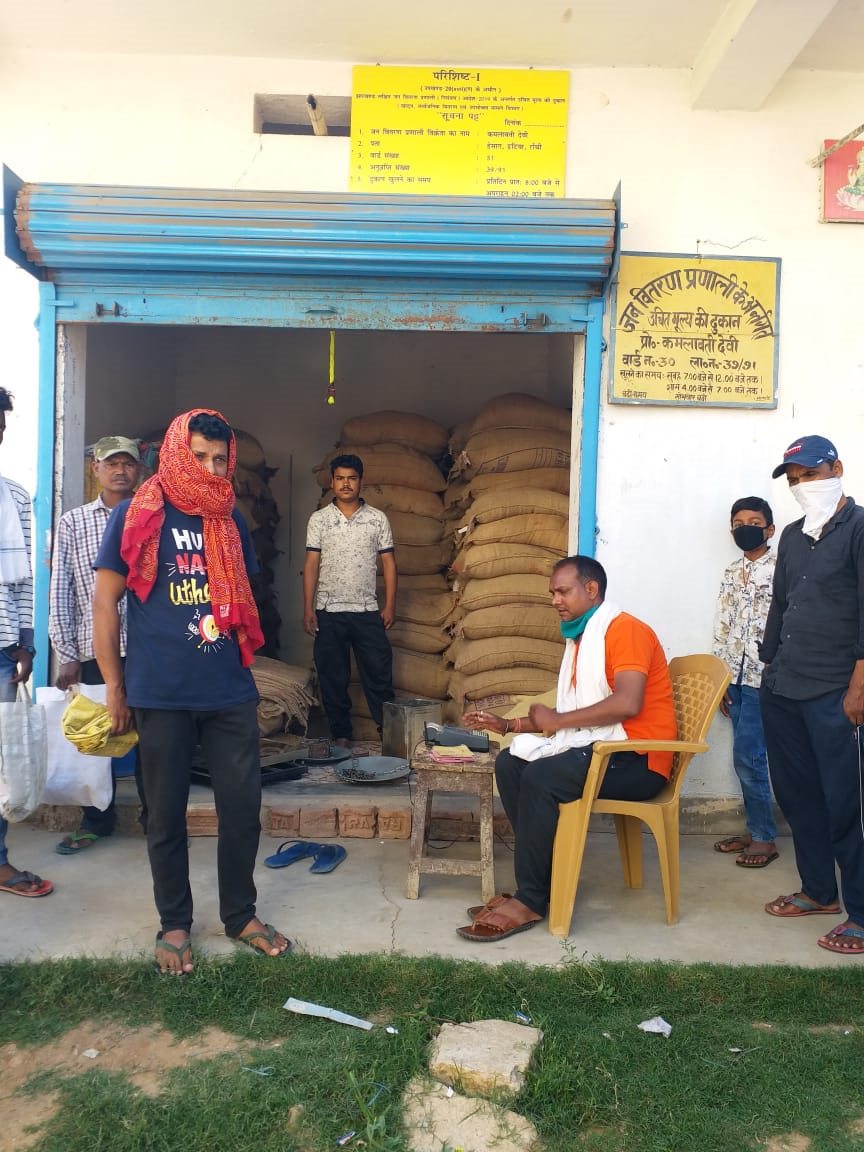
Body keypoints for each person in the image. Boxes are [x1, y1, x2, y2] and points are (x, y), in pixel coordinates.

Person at [93, 408, 289, 973]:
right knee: (164, 816)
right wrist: (114, 687)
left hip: (228, 690)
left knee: (242, 810)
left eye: (219, 459)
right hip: (160, 693)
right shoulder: (138, 513)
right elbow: (106, 603)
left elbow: (241, 601)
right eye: (199, 456)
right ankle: (174, 922)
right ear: (177, 452)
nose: (209, 467)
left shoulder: (231, 521)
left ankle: (240, 914)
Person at [457, 555, 676, 942]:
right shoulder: (582, 638)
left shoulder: (625, 630)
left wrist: (555, 723)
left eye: (563, 591)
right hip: (607, 748)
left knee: (543, 775)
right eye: (552, 593)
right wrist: (511, 725)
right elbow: (575, 714)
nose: (555, 600)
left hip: (640, 759)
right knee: (510, 762)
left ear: (591, 590)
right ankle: (546, 878)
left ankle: (531, 898)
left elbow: (627, 704)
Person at [760, 435, 864, 956]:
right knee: (799, 798)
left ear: (837, 469)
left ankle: (861, 914)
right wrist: (768, 669)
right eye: (795, 480)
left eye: (811, 475)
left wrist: (859, 688)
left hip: (836, 691)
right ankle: (819, 891)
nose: (804, 487)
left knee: (848, 803)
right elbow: (781, 604)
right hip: (785, 687)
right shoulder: (795, 537)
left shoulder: (860, 528)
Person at [49, 435, 140, 854]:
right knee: (96, 738)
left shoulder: (151, 515)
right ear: (96, 469)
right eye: (111, 464)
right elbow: (62, 590)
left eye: (128, 463)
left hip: (145, 646)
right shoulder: (73, 522)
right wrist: (65, 652)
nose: (120, 470)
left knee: (153, 736)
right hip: (94, 646)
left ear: (139, 470)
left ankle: (155, 819)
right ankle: (95, 821)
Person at [303, 453, 396, 748]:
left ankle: (389, 735)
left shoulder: (377, 519)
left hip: (367, 611)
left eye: (352, 478)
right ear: (332, 482)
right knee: (332, 677)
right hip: (329, 611)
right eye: (340, 478)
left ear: (361, 482)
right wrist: (308, 608)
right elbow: (311, 564)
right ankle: (341, 735)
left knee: (379, 675)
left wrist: (389, 604)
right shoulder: (319, 519)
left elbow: (390, 564)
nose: (346, 484)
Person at [0, 386, 53, 898]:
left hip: (0, 648)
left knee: (1, 759)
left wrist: (25, 643)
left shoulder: (13, 497)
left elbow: (22, 583)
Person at [711, 496, 779, 868]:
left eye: (754, 521)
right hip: (734, 679)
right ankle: (756, 829)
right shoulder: (729, 572)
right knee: (745, 756)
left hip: (762, 678)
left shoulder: (783, 568)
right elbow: (723, 626)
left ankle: (766, 837)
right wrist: (721, 680)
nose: (746, 527)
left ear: (770, 529)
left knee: (751, 758)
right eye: (738, 523)